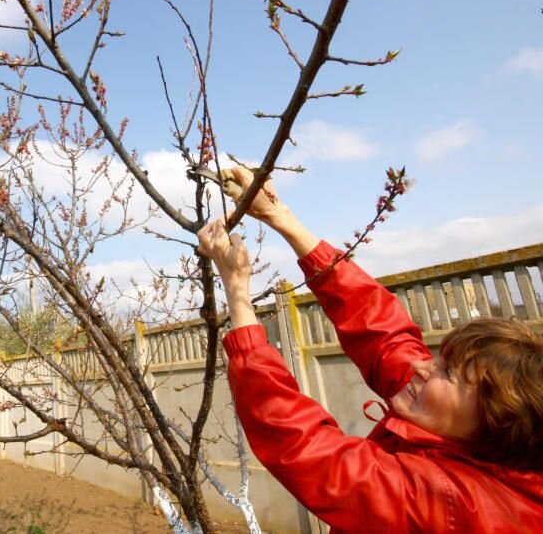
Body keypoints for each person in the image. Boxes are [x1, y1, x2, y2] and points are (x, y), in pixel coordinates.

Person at [197, 166, 543, 532]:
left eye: (449, 374)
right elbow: (384, 333)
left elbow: (308, 449)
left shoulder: (458, 507)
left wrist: (237, 292)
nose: (425, 367)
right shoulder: (465, 437)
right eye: (442, 360)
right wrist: (278, 216)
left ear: (497, 422)